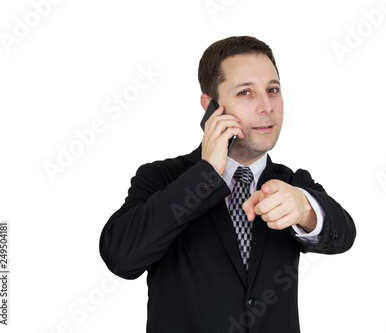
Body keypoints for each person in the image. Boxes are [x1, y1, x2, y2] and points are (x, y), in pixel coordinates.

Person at [99, 36, 356, 333]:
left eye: (272, 90)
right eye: (246, 92)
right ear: (211, 107)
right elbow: (121, 257)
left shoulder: (292, 183)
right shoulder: (162, 178)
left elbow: (344, 235)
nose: (266, 107)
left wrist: (305, 209)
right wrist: (206, 174)